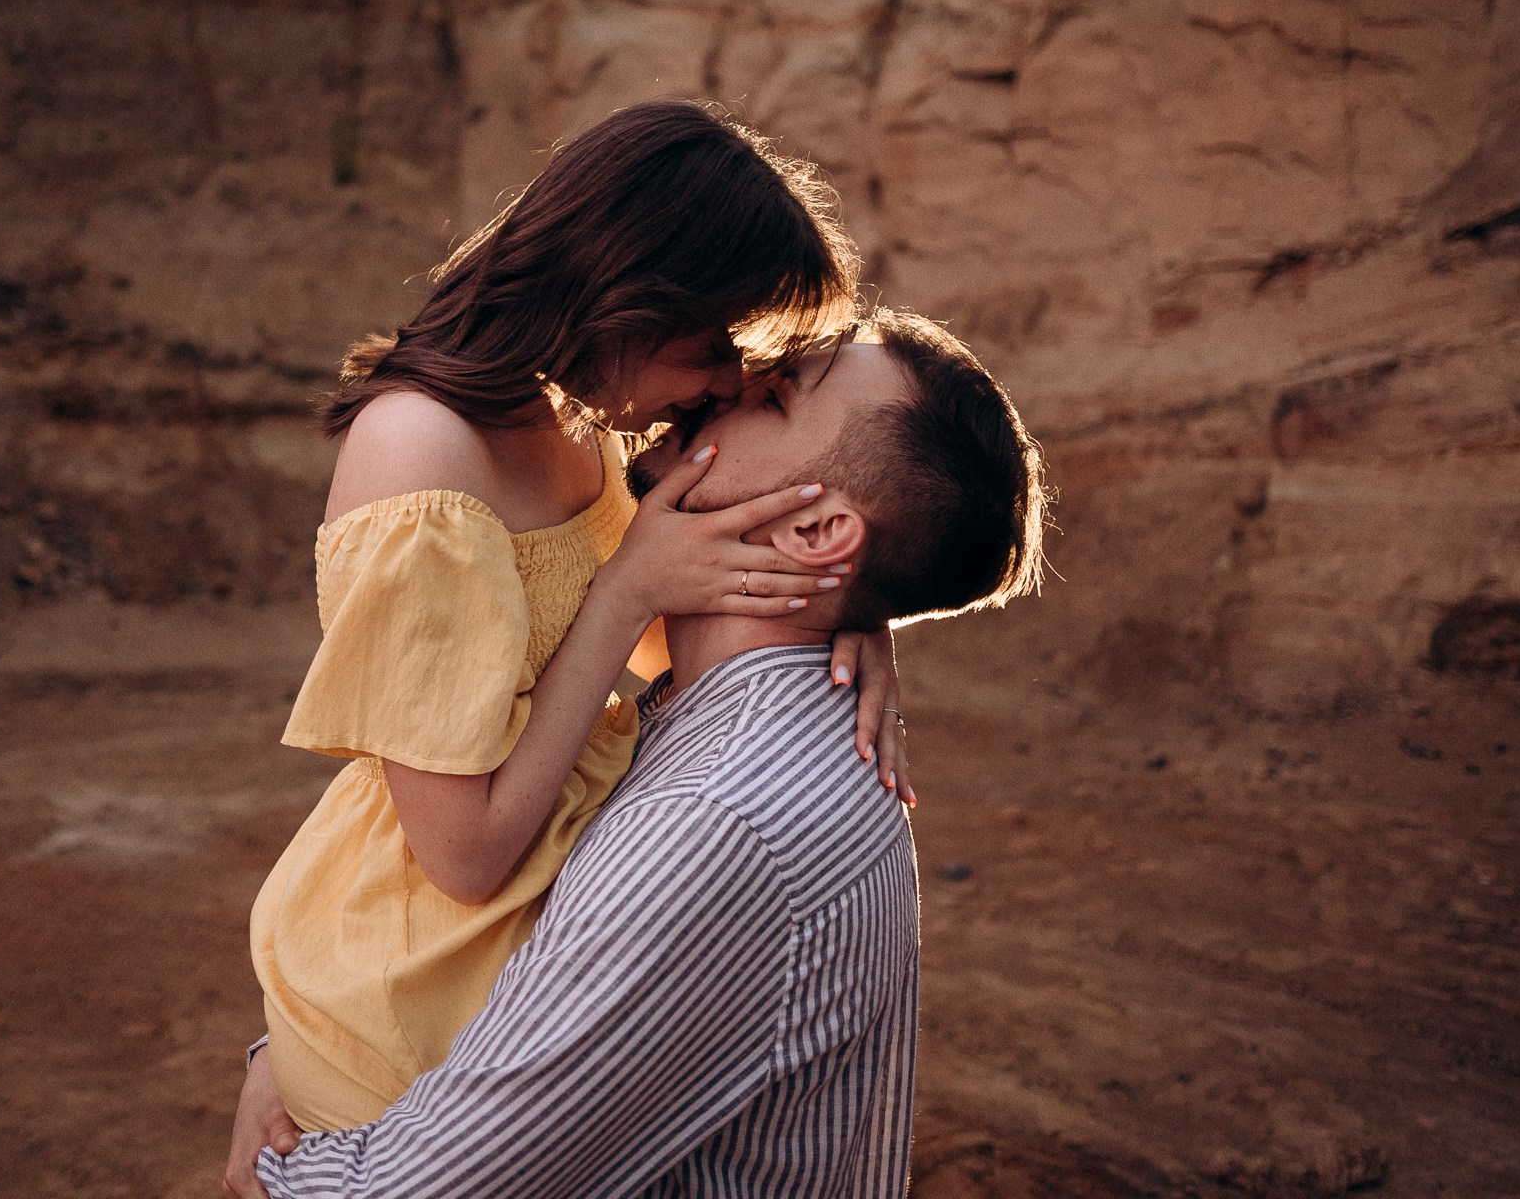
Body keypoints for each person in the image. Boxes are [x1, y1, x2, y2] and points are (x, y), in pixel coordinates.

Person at [227, 308, 1048, 1195]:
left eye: (772, 399)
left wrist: (280, 1160)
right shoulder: (716, 726)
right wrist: (296, 1053)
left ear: (816, 534)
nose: (724, 385)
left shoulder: (715, 820)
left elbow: (425, 1188)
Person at [245, 103, 916, 1144]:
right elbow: (463, 854)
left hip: (557, 922)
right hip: (428, 983)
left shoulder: (576, 421)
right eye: (712, 344)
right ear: (623, 296)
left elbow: (661, 649)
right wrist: (625, 588)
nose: (726, 382)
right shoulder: (419, 457)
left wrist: (842, 611)